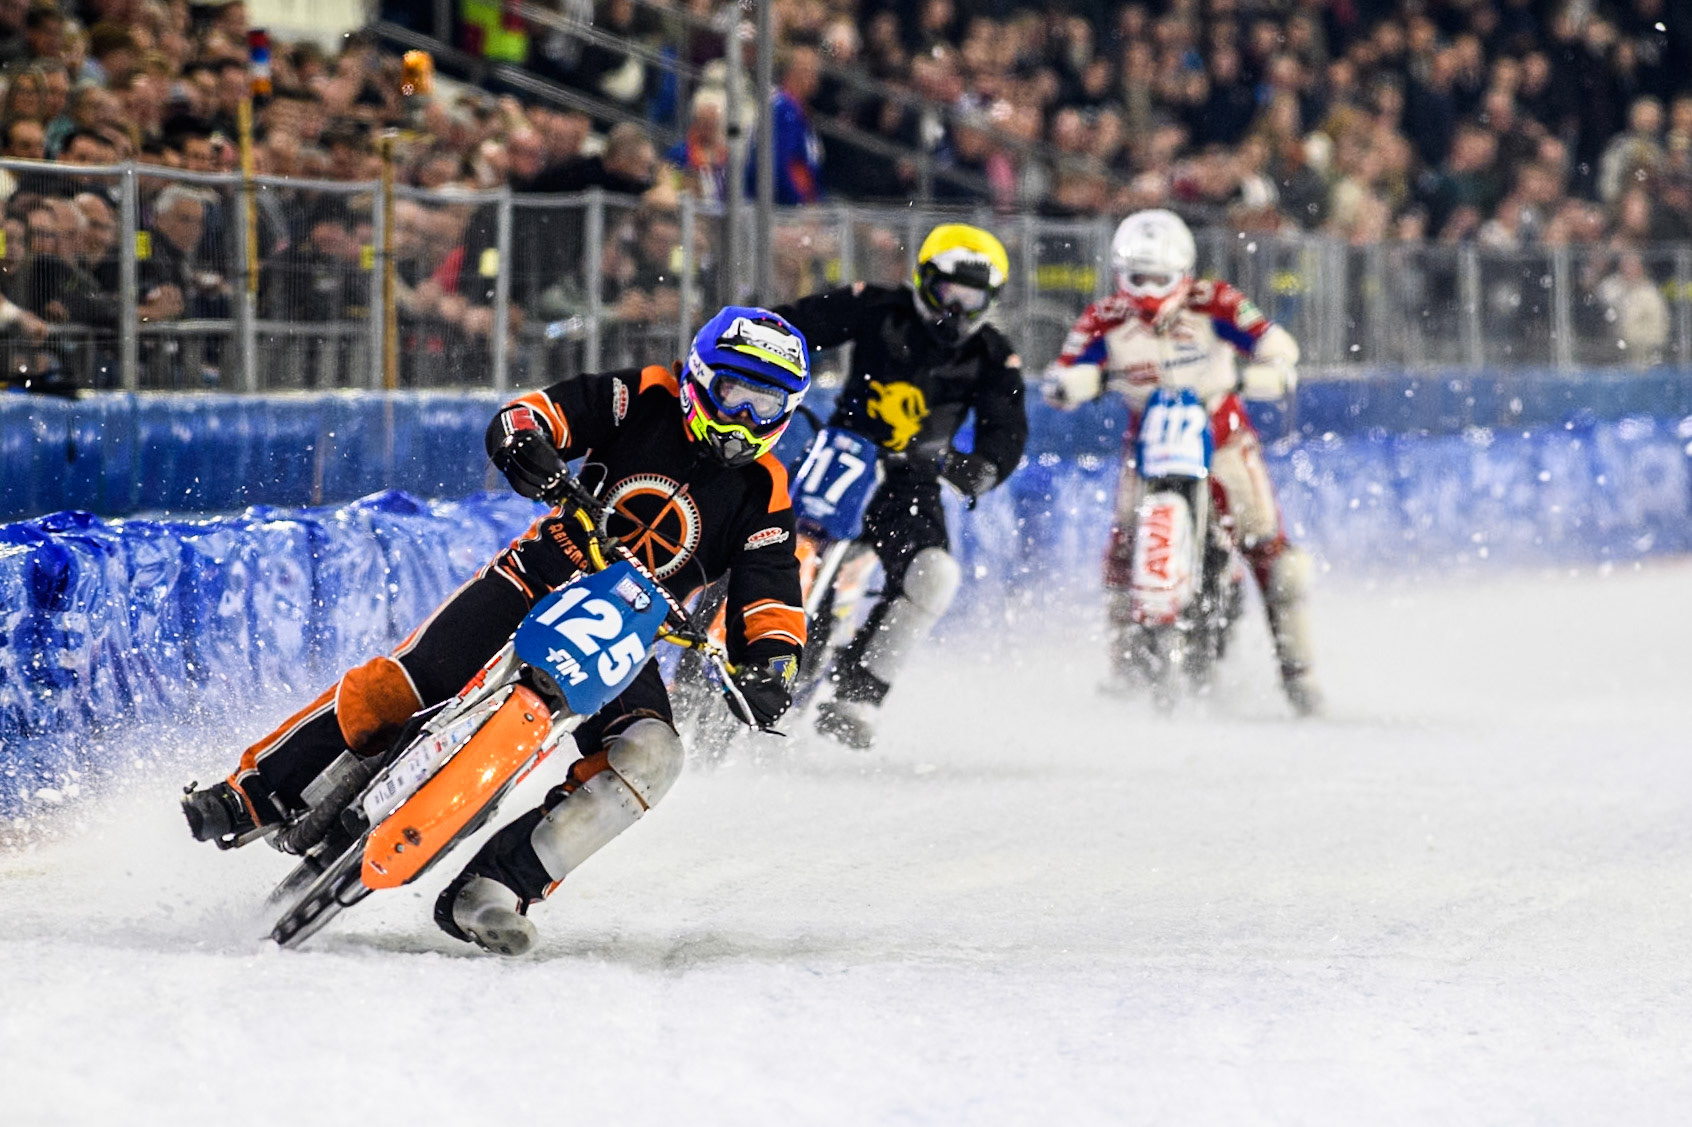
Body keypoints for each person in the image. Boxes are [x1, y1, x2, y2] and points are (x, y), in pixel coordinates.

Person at [182, 306, 815, 955]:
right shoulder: (641, 395)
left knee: (653, 755)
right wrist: (525, 444)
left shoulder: (764, 491)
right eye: (734, 393)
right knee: (411, 682)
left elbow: (772, 591)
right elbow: (535, 414)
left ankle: (496, 886)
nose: (745, 418)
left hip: (621, 638)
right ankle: (256, 790)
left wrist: (773, 664)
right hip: (535, 578)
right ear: (700, 379)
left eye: (765, 404)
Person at [1044, 209, 1321, 715]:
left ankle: (1299, 673)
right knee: (1122, 550)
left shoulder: (1216, 301)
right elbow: (1062, 372)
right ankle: (1125, 666)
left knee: (1273, 555)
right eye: (1138, 277)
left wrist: (1272, 369)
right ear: (1119, 274)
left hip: (1223, 438)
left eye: (1160, 278)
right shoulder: (1104, 317)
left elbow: (1273, 341)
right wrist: (1071, 385)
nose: (1149, 291)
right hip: (1148, 445)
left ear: (1184, 273)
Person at [772, 223, 1026, 749]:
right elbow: (794, 324)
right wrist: (757, 346)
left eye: (971, 298)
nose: (956, 309)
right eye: (948, 291)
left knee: (934, 575)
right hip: (843, 453)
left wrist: (983, 467)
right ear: (924, 280)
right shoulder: (877, 306)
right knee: (775, 539)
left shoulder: (992, 353)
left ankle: (859, 692)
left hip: (913, 481)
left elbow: (1006, 428)